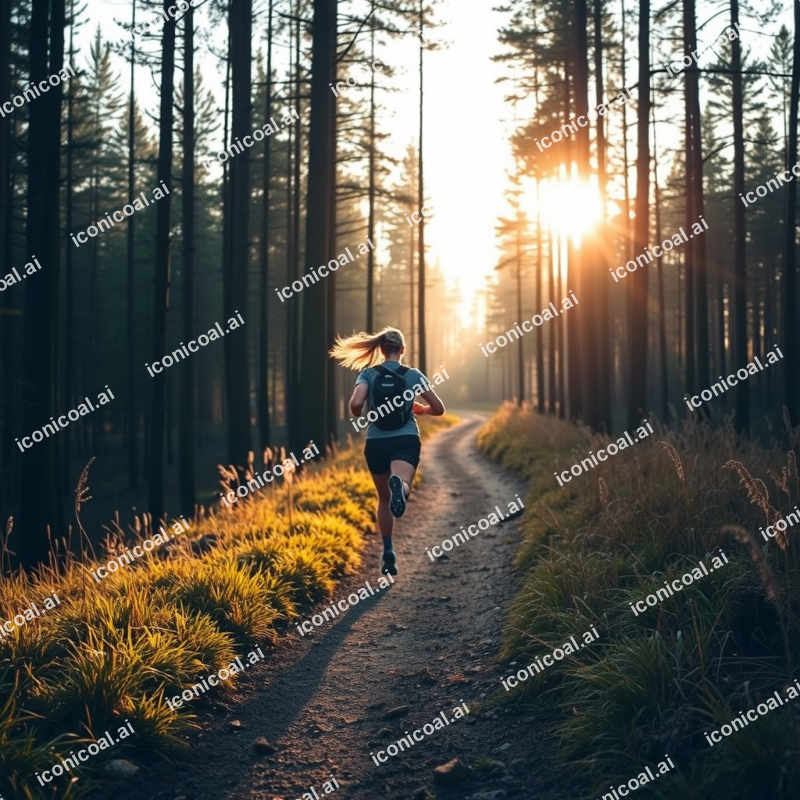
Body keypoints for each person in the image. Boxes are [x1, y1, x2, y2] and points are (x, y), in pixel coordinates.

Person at [330, 327, 445, 576]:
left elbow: (356, 404)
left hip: (376, 441)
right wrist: (419, 409)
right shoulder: (412, 374)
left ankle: (388, 551)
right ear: (402, 350)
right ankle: (400, 485)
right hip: (406, 438)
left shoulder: (369, 374)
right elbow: (438, 408)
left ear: (380, 350)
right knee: (403, 484)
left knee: (383, 499)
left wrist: (357, 410)